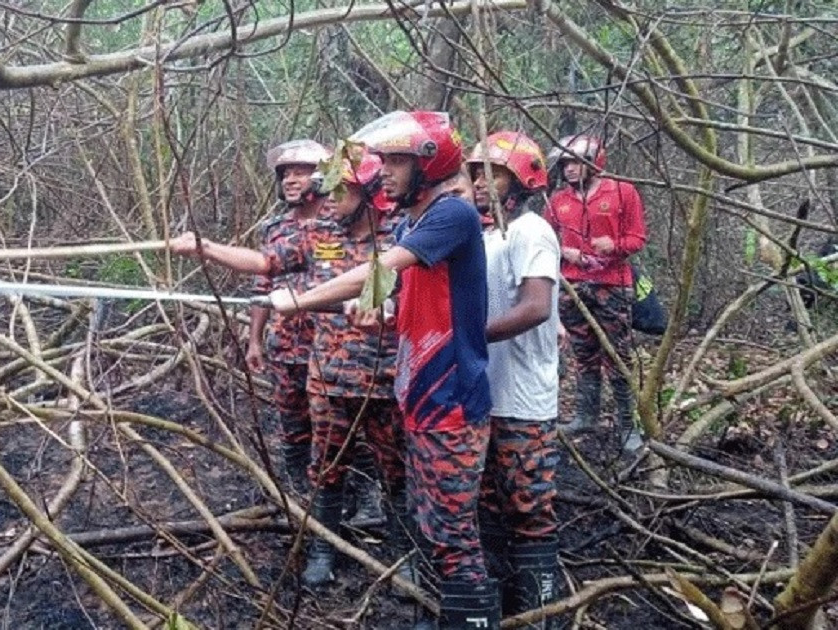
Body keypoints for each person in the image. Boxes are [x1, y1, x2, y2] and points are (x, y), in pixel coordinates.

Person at [261, 111, 498, 630]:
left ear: (429, 166)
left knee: (452, 532)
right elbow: (409, 295)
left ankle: (470, 619)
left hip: (453, 397)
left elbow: (379, 270)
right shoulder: (416, 220)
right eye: (385, 160)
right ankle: (437, 615)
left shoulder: (451, 215)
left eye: (397, 161)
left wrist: (301, 299)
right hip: (420, 394)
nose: (385, 171)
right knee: (435, 522)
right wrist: (379, 311)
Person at [170, 153, 400, 587]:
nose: (330, 199)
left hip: (388, 382)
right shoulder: (316, 234)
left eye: (341, 190)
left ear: (370, 194)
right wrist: (206, 248)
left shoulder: (403, 238)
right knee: (325, 470)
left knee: (398, 474)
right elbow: (264, 264)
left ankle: (402, 555)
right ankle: (323, 549)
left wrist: (388, 303)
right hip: (329, 379)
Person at [468, 132, 567, 628]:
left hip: (523, 400)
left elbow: (535, 306)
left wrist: (466, 336)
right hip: (485, 394)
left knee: (529, 509)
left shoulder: (531, 230)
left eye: (494, 173)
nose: (481, 184)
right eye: (475, 173)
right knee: (487, 505)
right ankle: (499, 609)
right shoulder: (487, 236)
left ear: (521, 179)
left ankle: (539, 614)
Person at [545, 135, 647, 452]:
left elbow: (638, 237)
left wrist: (614, 246)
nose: (570, 170)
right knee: (583, 354)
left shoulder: (622, 192)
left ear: (593, 162)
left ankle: (629, 425)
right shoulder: (558, 200)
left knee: (617, 356)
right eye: (565, 164)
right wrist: (565, 251)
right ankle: (586, 416)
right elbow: (545, 241)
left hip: (612, 285)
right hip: (573, 286)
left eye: (575, 163)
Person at [251, 140, 332, 493]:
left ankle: (359, 494)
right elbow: (261, 284)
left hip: (333, 344)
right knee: (291, 419)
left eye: (300, 172)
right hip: (285, 343)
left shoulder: (341, 221)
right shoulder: (274, 228)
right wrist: (254, 338)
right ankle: (298, 491)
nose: (290, 180)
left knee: (335, 422)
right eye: (285, 173)